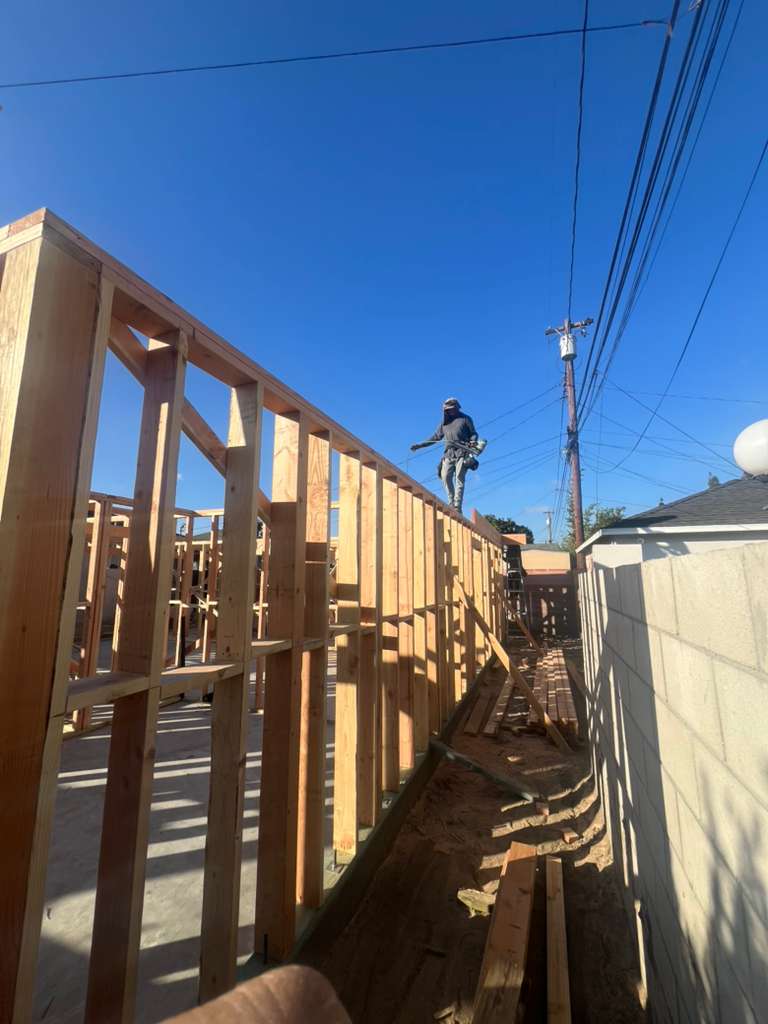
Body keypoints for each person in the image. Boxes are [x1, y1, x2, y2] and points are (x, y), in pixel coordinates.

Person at [411, 397, 478, 513]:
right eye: (448, 410)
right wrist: (420, 445)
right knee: (445, 476)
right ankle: (451, 502)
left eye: (453, 409)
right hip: (449, 453)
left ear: (457, 407)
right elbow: (435, 437)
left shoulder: (465, 419)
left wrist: (473, 441)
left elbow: (473, 434)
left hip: (463, 452)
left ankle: (457, 506)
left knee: (459, 478)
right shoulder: (444, 423)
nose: (451, 411)